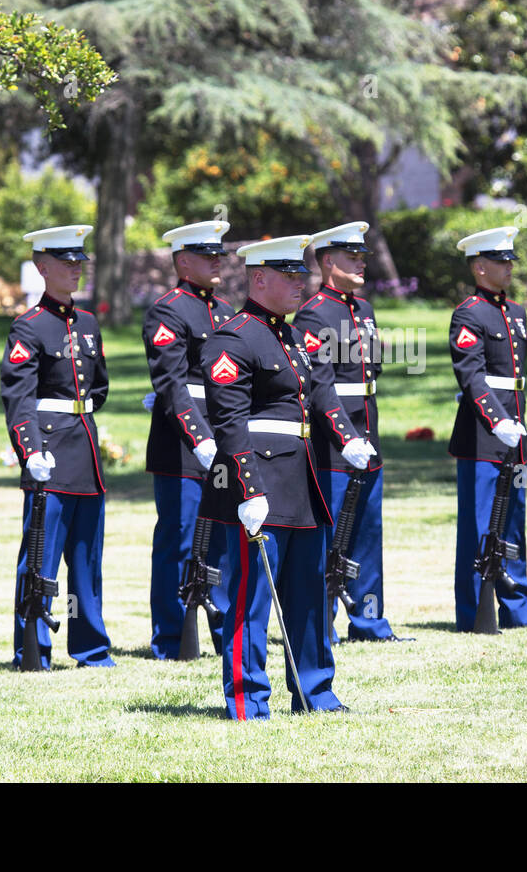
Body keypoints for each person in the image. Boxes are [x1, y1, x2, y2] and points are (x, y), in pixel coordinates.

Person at [200, 235, 377, 719]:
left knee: (309, 596)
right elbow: (231, 422)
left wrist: (348, 438)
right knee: (252, 598)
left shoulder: (298, 338)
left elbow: (323, 396)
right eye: (289, 274)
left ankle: (314, 691)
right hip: (258, 481)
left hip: (302, 479)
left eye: (302, 273)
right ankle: (248, 698)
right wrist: (247, 486)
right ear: (259, 278)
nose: (301, 283)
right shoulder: (234, 338)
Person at [1, 225, 114, 668]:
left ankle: (91, 646)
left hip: (84, 449)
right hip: (47, 450)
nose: (76, 269)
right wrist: (30, 449)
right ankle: (32, 646)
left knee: (88, 558)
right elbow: (18, 396)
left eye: (79, 261)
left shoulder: (87, 323)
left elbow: (98, 387)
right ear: (41, 267)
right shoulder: (28, 327)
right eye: (66, 263)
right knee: (39, 556)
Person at [292, 221, 405, 643]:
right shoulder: (313, 313)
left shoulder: (364, 309)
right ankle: (321, 625)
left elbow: (369, 373)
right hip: (333, 444)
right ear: (327, 261)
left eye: (362, 255)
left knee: (368, 534)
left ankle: (370, 621)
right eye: (351, 255)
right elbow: (319, 386)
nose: (360, 262)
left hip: (368, 434)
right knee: (330, 537)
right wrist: (346, 438)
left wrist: (366, 437)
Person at [142, 220, 234, 659]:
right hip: (182, 444)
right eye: (206, 255)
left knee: (222, 538)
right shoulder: (169, 310)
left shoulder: (227, 312)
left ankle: (223, 629)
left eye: (219, 253)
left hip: (224, 438)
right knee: (179, 539)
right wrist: (199, 437)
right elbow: (173, 385)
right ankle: (172, 636)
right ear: (182, 261)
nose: (217, 260)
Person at [448, 227, 527, 632]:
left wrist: (512, 421)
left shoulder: (516, 312)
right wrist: (497, 418)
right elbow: (471, 375)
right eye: (500, 262)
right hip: (482, 434)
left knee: (513, 524)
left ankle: (521, 610)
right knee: (480, 525)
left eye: (510, 261)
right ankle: (474, 614)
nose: (508, 268)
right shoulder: (468, 313)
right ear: (480, 267)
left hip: (513, 432)